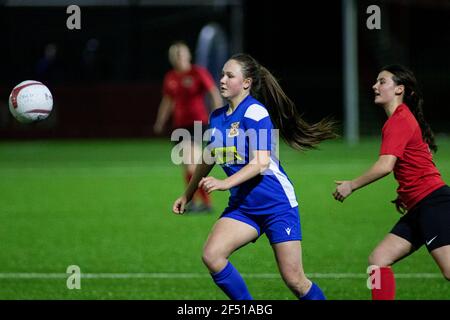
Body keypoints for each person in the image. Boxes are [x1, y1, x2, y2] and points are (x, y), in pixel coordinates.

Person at [172, 53, 336, 300]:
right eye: (222, 75)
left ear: (246, 83)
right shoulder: (217, 116)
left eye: (230, 76)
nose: (222, 80)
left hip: (275, 204)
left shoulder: (256, 113)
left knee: (295, 280)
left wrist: (225, 182)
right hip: (243, 207)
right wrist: (188, 193)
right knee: (212, 255)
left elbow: (260, 162)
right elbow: (209, 156)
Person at [333, 64, 450, 300]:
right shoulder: (401, 119)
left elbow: (385, 166)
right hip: (419, 206)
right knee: (378, 260)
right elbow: (414, 163)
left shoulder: (399, 120)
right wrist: (405, 193)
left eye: (382, 81)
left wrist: (351, 185)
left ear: (399, 89)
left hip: (433, 204)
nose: (375, 86)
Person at [154, 41, 222, 212]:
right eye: (175, 55)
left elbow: (213, 92)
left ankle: (202, 202)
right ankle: (198, 203)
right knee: (189, 165)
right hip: (179, 126)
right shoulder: (170, 77)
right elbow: (168, 101)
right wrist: (160, 121)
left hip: (198, 124)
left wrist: (219, 116)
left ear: (188, 55)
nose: (178, 57)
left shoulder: (197, 72)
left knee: (193, 165)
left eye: (181, 54)